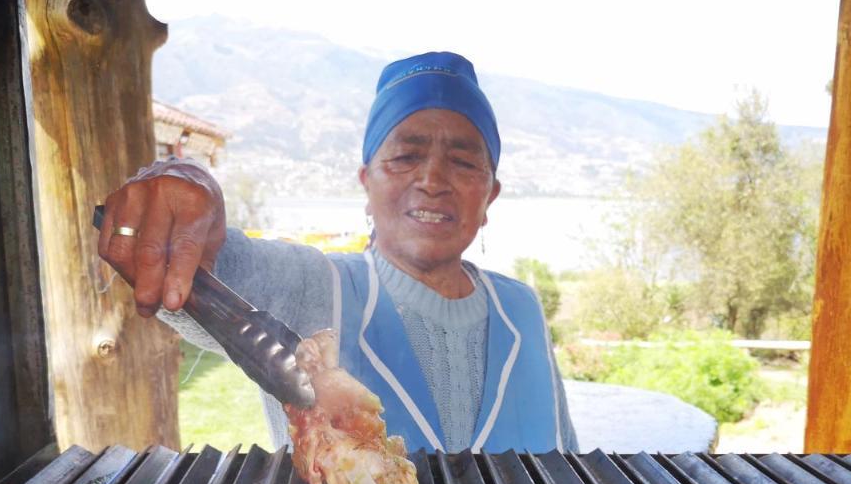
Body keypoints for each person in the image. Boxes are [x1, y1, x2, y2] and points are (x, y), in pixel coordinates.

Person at [99, 51, 578, 454]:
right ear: (367, 184)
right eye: (406, 156)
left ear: (490, 194)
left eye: (464, 161)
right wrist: (187, 180)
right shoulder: (313, 287)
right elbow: (213, 262)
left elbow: (568, 467)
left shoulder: (523, 310)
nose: (432, 181)